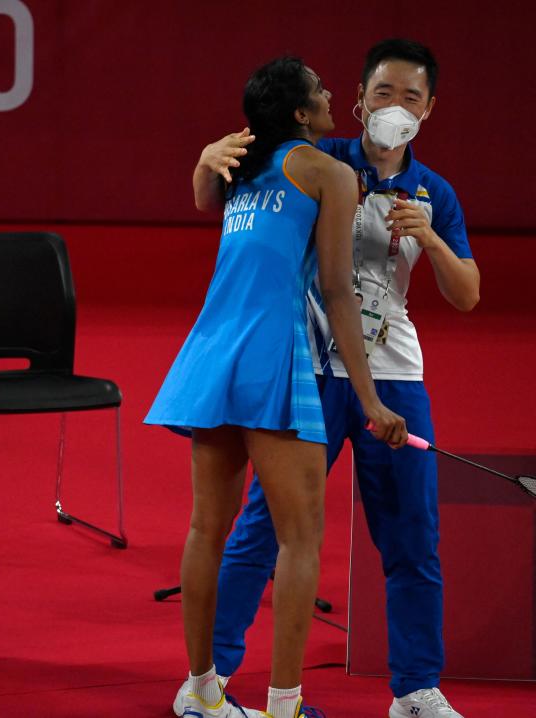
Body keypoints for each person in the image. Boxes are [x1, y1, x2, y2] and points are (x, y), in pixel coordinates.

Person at [175, 39, 479, 718]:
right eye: (382, 93)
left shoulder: (437, 194)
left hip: (394, 372)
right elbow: (234, 191)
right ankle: (214, 676)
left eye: (409, 97)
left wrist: (429, 239)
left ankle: (416, 690)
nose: (393, 108)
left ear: (430, 108)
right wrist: (205, 158)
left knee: (411, 537)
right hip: (308, 368)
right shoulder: (320, 159)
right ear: (355, 100)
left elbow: (468, 294)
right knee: (264, 529)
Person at [145, 55, 407, 718]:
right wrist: (372, 399)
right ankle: (284, 705)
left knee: (208, 527)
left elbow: (205, 197)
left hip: (211, 352)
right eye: (320, 90)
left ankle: (202, 691)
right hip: (272, 358)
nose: (329, 97)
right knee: (300, 537)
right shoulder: (330, 173)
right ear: (300, 112)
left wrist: (206, 158)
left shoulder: (242, 164)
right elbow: (338, 290)